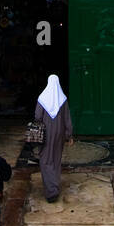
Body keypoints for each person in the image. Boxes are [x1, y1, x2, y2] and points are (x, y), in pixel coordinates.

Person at [35, 74, 73, 203]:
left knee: (45, 160)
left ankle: (51, 191)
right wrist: (69, 135)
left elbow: (37, 116)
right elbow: (67, 119)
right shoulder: (62, 99)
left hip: (46, 134)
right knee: (56, 159)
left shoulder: (43, 98)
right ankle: (54, 186)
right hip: (59, 135)